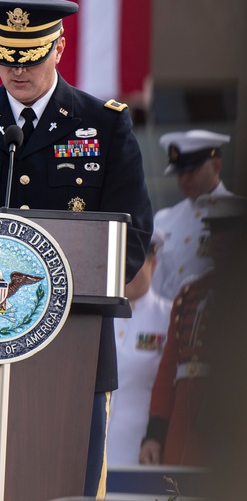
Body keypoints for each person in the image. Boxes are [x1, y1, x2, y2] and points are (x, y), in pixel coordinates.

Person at [0, 0, 153, 497]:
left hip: (72, 344)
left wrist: (45, 299)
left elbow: (132, 237)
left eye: (29, 57)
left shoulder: (104, 125)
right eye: (4, 56)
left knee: (64, 486)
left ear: (59, 47)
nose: (16, 70)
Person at [139, 194, 246, 467]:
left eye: (229, 235)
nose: (219, 243)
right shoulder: (190, 294)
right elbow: (169, 368)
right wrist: (155, 433)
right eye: (214, 234)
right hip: (183, 421)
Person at [105, 230, 170, 466]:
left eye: (135, 264)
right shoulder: (99, 315)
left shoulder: (169, 316)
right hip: (92, 448)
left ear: (153, 264)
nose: (127, 272)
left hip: (139, 451)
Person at [150, 130, 233, 301]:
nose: (184, 179)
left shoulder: (237, 214)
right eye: (180, 172)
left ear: (216, 166)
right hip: (170, 322)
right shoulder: (164, 219)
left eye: (192, 171)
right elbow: (156, 283)